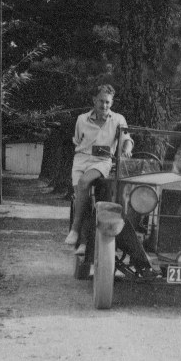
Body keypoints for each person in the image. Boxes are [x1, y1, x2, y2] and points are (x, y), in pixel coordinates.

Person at [64, 84, 133, 254]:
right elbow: (78, 141)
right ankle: (84, 244)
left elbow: (127, 139)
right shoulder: (82, 119)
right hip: (81, 160)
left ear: (112, 102)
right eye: (101, 101)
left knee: (84, 182)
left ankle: (75, 229)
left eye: (108, 102)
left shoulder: (118, 120)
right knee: (82, 198)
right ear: (94, 100)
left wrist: (127, 149)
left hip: (102, 161)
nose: (104, 106)